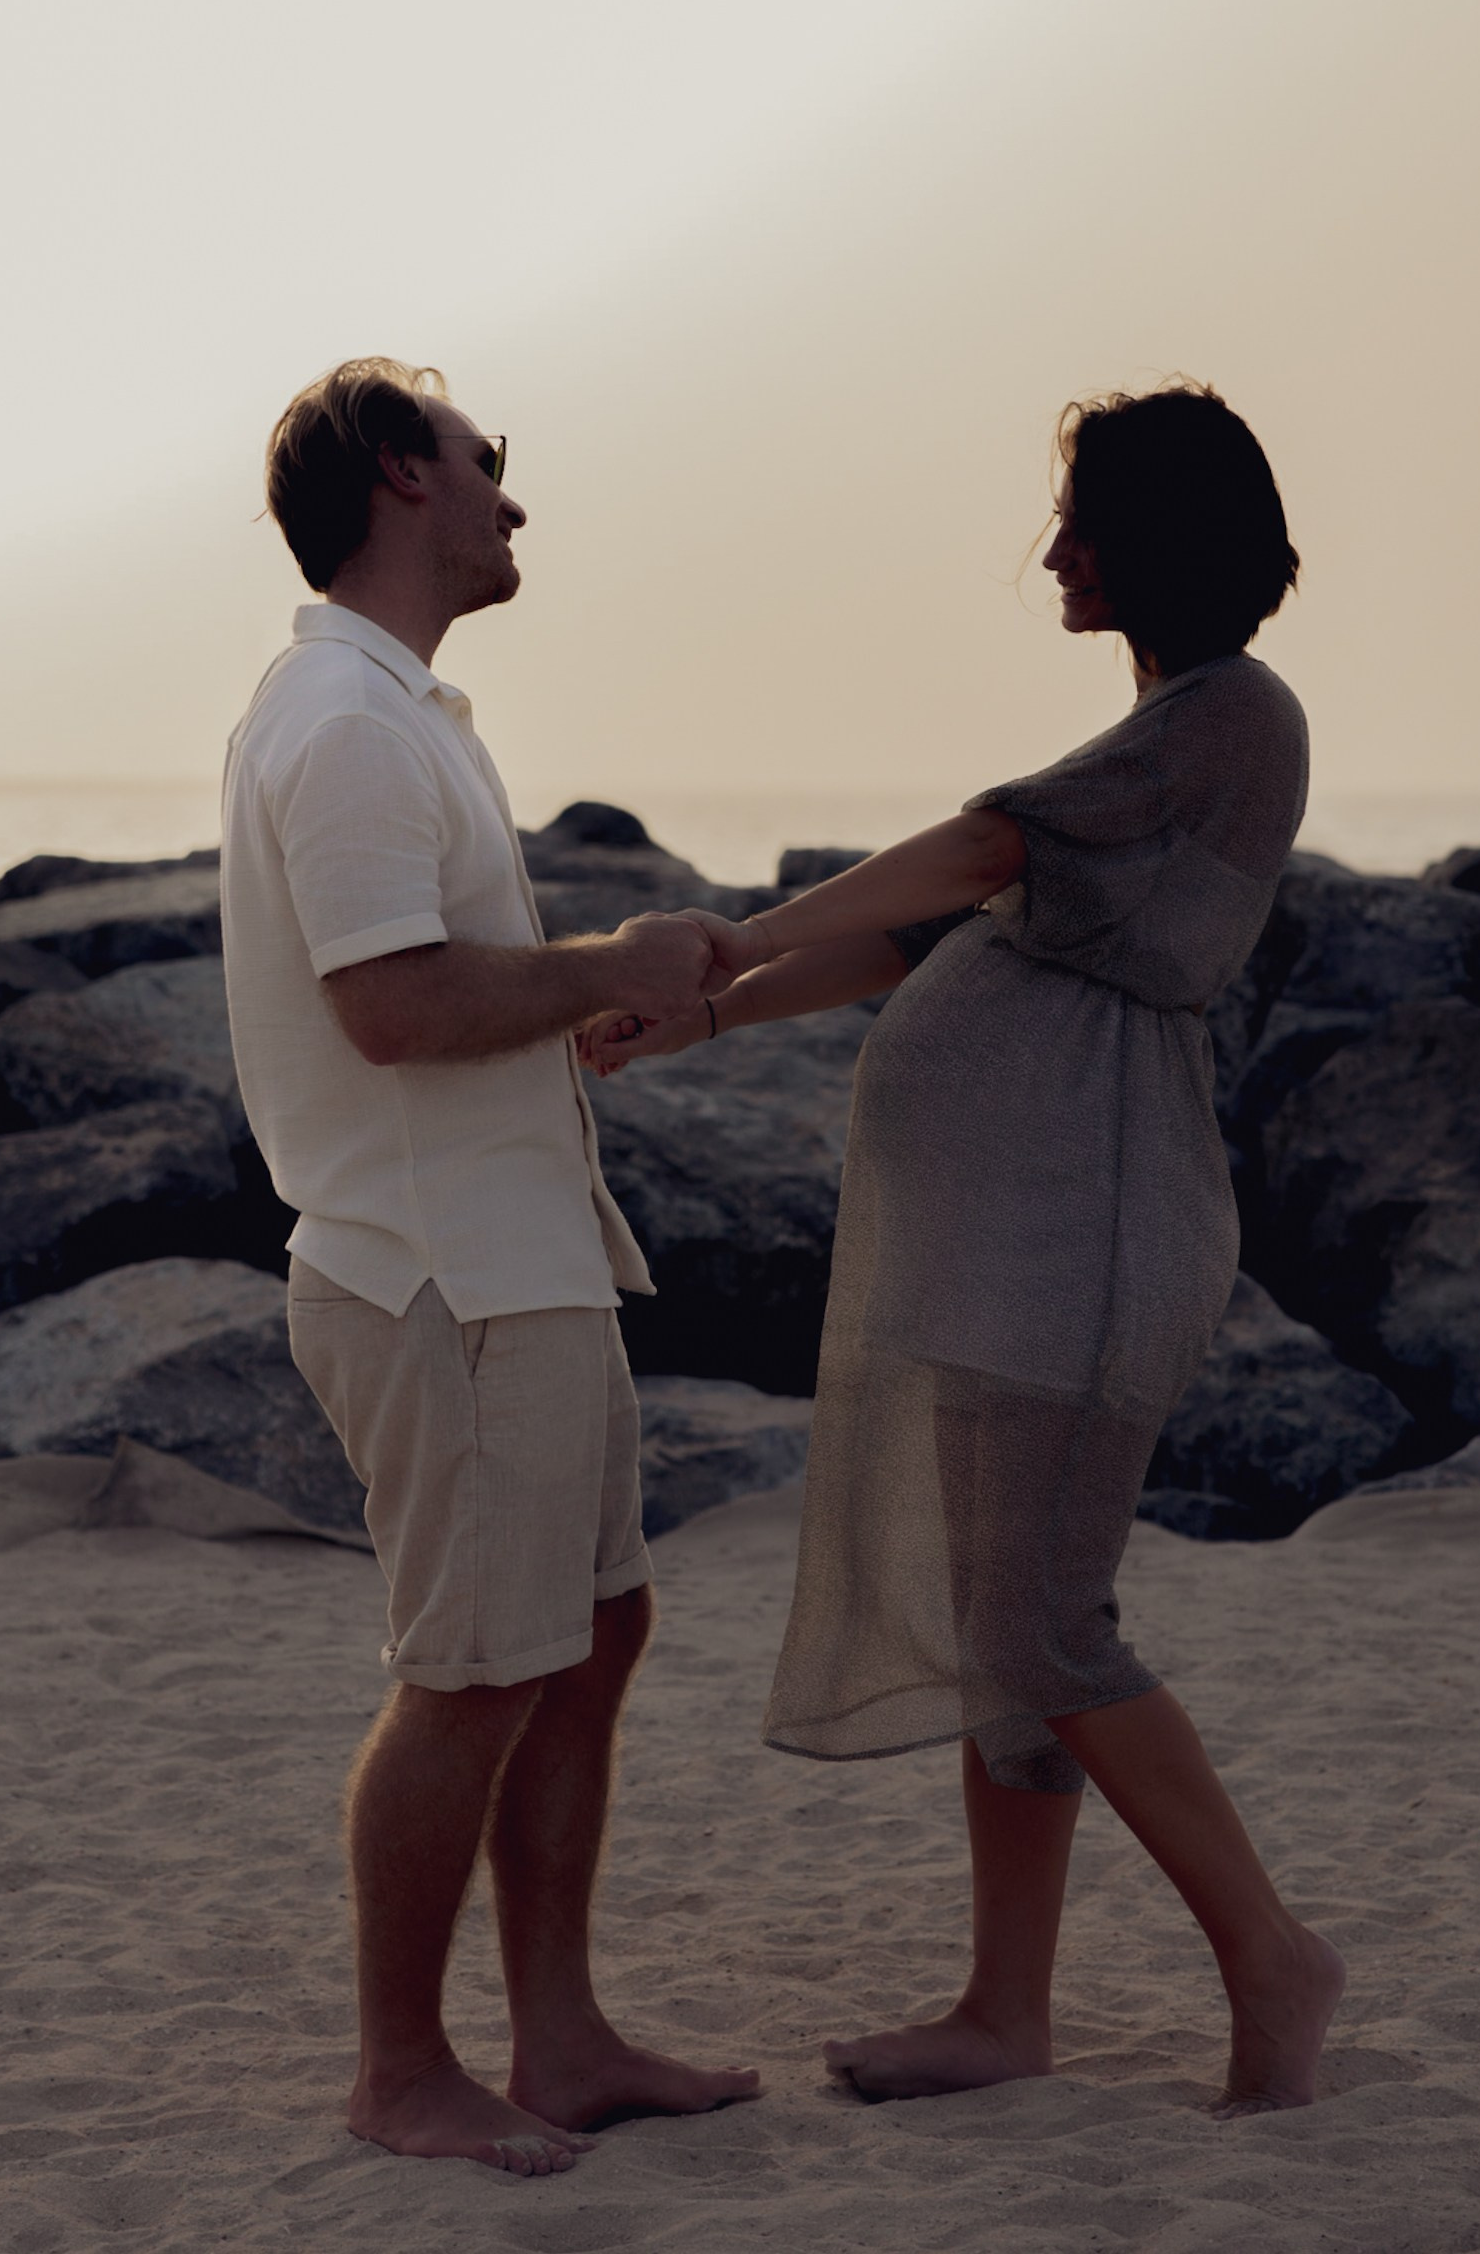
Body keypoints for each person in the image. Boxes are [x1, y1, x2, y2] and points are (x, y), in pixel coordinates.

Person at [584, 382, 1344, 2118]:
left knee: (1045, 1623)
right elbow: (944, 927)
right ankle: (1007, 2013)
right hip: (1016, 1237)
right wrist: (708, 1016)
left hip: (1090, 1228)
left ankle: (1271, 1951)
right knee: (1019, 1629)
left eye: (1083, 521)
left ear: (1155, 540)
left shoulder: (1231, 716)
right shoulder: (1153, 736)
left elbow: (979, 847)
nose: (1055, 552)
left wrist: (726, 940)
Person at [221, 357, 760, 2178]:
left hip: (521, 1262)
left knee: (590, 1637)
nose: (513, 499)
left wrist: (570, 1011)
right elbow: (389, 1008)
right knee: (470, 1670)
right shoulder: (348, 723)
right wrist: (612, 959)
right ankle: (400, 2071)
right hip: (439, 1278)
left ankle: (563, 2038)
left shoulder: (404, 710)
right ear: (400, 476)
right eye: (485, 462)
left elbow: (454, 992)